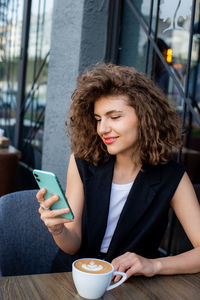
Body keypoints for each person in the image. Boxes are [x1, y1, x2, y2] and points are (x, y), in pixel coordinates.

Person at [36, 63, 200, 281]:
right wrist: (58, 230)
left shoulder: (172, 177)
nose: (102, 129)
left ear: (145, 117)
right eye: (98, 119)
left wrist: (154, 264)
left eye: (114, 117)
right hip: (73, 279)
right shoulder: (82, 162)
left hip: (131, 285)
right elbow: (72, 244)